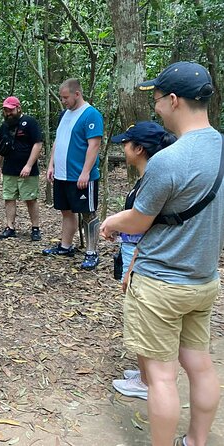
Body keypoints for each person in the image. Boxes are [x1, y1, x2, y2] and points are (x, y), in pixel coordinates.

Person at [101, 61, 223, 446]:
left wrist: (110, 222)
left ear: (173, 100)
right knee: (200, 366)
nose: (155, 108)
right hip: (203, 278)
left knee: (162, 377)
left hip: (160, 282)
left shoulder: (168, 160)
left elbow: (139, 221)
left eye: (156, 100)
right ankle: (197, 442)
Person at [108, 121, 176, 401]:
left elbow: (145, 227)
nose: (123, 147)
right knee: (135, 312)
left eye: (127, 143)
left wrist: (131, 266)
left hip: (143, 257)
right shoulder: (147, 177)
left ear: (139, 148)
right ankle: (145, 374)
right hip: (133, 250)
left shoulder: (153, 179)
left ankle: (149, 382)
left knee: (141, 316)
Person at [43, 79, 103, 270]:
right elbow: (58, 141)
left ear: (77, 94)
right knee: (66, 211)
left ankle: (92, 252)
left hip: (81, 176)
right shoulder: (64, 115)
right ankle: (65, 246)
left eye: (66, 97)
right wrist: (51, 164)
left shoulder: (91, 114)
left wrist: (85, 172)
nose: (63, 101)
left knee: (88, 213)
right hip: (62, 175)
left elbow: (94, 145)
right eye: (61, 97)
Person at [0, 96, 44, 241]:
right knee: (9, 198)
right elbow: (0, 147)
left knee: (30, 199)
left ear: (18, 108)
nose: (8, 113)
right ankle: (10, 227)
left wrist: (28, 165)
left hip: (27, 171)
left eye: (10, 110)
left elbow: (38, 144)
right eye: (5, 110)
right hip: (9, 169)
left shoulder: (30, 123)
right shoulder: (4, 126)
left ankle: (35, 228)